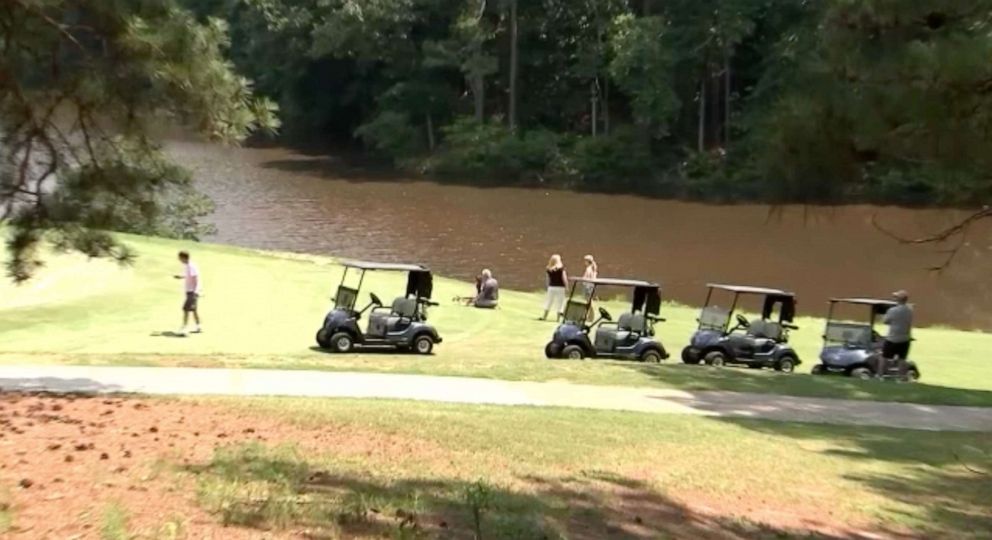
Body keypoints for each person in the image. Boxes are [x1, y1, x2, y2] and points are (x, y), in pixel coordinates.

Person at [881, 290, 913, 380]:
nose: (894, 299)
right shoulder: (910, 310)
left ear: (898, 299)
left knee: (884, 357)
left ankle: (880, 375)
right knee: (902, 359)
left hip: (892, 338)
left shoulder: (892, 310)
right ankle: (901, 377)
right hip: (905, 338)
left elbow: (885, 321)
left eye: (896, 297)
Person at [173, 251, 202, 336]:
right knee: (193, 309)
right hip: (190, 291)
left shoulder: (191, 266)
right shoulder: (188, 266)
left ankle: (184, 329)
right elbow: (189, 276)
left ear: (184, 257)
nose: (179, 259)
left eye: (180, 257)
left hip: (192, 292)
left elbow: (196, 278)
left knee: (185, 309)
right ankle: (198, 326)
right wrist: (181, 277)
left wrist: (195, 292)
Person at [541, 254, 568, 320]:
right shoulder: (561, 269)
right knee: (560, 302)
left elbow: (548, 279)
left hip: (551, 287)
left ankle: (544, 316)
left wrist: (548, 286)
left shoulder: (548, 268)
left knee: (549, 301)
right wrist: (566, 286)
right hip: (560, 287)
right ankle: (558, 319)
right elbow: (564, 278)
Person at [581, 255, 598, 321]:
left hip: (588, 287)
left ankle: (590, 317)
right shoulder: (593, 268)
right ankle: (589, 317)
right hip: (591, 286)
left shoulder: (589, 268)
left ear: (587, 261)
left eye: (585, 261)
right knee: (589, 302)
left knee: (589, 303)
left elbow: (586, 277)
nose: (584, 262)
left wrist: (583, 279)